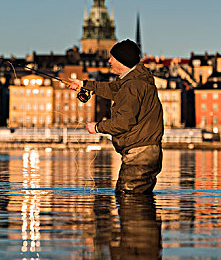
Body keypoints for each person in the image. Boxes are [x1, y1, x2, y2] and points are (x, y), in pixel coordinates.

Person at [67, 39, 163, 194]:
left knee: (128, 197)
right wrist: (84, 85)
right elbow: (113, 89)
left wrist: (97, 127)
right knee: (134, 198)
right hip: (145, 152)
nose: (109, 61)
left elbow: (123, 123)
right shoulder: (135, 80)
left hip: (139, 154)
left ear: (122, 61)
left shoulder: (132, 86)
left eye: (112, 57)